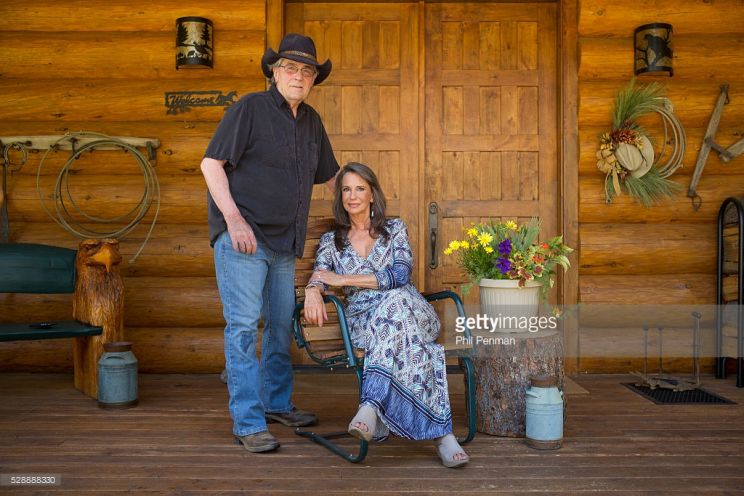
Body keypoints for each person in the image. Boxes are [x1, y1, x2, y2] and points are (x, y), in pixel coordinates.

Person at [200, 33, 340, 453]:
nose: (299, 76)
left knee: (280, 326)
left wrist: (365, 206)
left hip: (284, 244)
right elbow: (211, 165)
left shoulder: (312, 121)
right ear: (275, 73)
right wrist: (234, 220)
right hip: (243, 240)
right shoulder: (250, 108)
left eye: (307, 71)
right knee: (244, 328)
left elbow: (331, 177)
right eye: (290, 68)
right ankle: (247, 421)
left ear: (314, 79)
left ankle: (276, 403)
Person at [303, 162, 470, 468]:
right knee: (411, 340)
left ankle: (372, 404)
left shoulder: (394, 230)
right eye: (346, 190)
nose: (352, 196)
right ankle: (442, 435)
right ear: (340, 196)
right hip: (364, 323)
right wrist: (313, 290)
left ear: (372, 195)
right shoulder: (331, 241)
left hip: (415, 312)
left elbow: (400, 275)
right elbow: (320, 274)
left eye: (360, 189)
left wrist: (343, 279)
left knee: (395, 300)